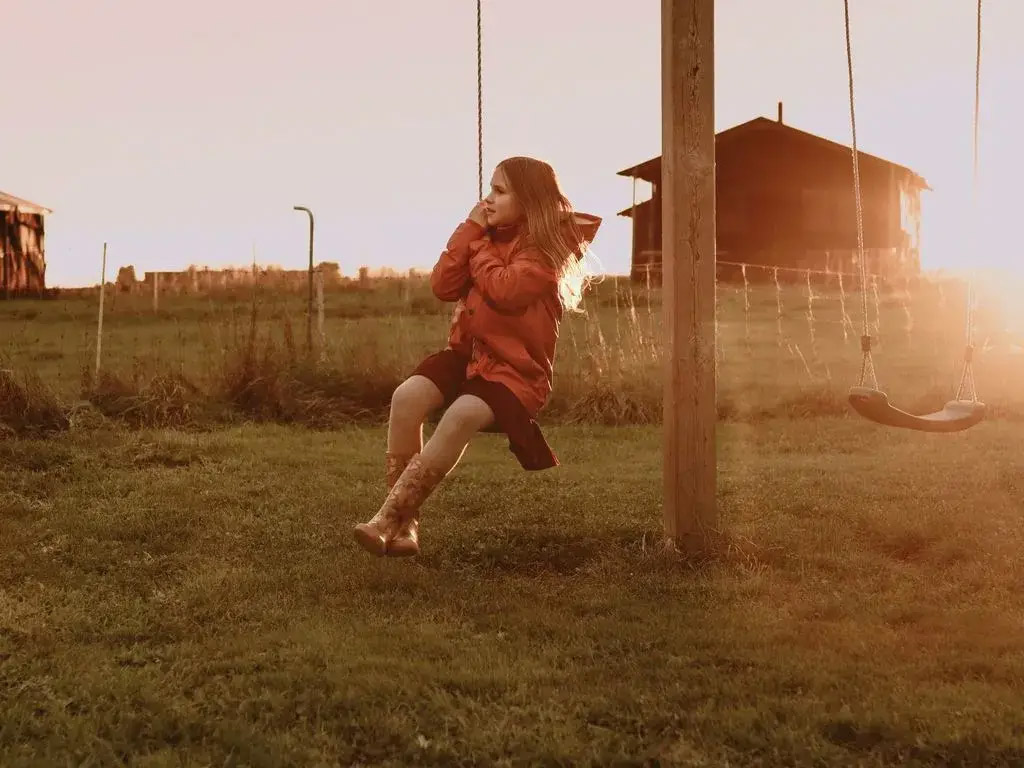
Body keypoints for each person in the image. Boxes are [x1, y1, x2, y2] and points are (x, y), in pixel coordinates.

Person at [353, 156, 601, 557]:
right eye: (489, 189)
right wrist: (470, 231)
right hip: (469, 356)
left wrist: (479, 245)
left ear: (529, 200)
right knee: (407, 397)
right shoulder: (483, 236)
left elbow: (505, 290)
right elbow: (442, 284)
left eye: (499, 191)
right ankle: (405, 528)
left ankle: (389, 516)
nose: (488, 199)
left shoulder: (546, 252)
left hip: (515, 373)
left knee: (460, 415)